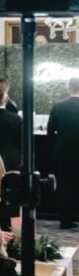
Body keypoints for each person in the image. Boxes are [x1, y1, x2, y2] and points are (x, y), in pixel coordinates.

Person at [48, 77, 79, 228]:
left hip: (62, 153)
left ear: (69, 88)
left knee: (64, 186)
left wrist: (56, 146)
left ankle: (65, 220)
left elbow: (50, 131)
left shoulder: (58, 107)